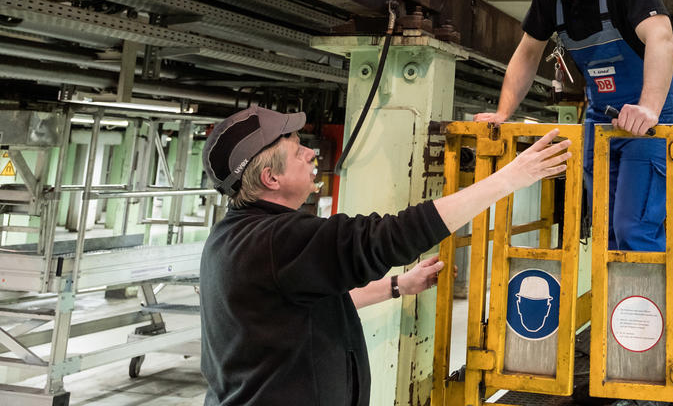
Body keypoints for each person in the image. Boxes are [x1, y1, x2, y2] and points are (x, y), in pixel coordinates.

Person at [199, 104, 569, 406]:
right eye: (298, 152)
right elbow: (391, 236)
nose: (311, 152)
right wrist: (509, 179)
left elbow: (308, 301)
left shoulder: (234, 236)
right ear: (270, 179)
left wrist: (397, 286)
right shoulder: (276, 240)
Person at [475, 0, 673, 252]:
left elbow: (661, 37)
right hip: (601, 117)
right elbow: (527, 54)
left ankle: (643, 307)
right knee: (604, 231)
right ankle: (609, 306)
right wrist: (503, 113)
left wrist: (648, 107)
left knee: (634, 229)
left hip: (648, 118)